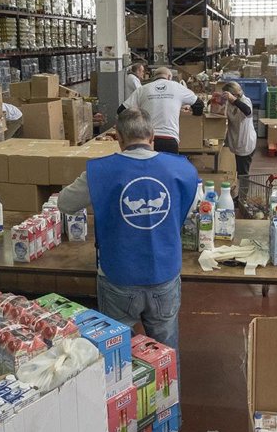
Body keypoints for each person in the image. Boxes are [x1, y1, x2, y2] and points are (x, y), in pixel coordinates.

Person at [57, 108, 198, 349]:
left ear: (119, 139)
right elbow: (193, 205)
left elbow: (65, 203)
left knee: (117, 349)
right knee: (165, 349)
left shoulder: (99, 172)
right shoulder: (182, 169)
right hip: (164, 272)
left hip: (118, 276)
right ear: (153, 136)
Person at [118, 66, 202, 153]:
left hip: (147, 139)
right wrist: (195, 115)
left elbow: (121, 110)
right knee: (169, 162)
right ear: (169, 77)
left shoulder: (143, 89)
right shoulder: (178, 87)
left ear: (154, 77)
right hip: (170, 139)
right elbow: (199, 105)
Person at [219, 80, 257, 185]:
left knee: (242, 173)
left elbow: (247, 111)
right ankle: (234, 191)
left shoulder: (245, 101)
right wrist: (218, 100)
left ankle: (243, 194)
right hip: (233, 140)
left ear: (234, 95)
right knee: (232, 170)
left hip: (245, 142)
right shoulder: (229, 103)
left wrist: (233, 99)